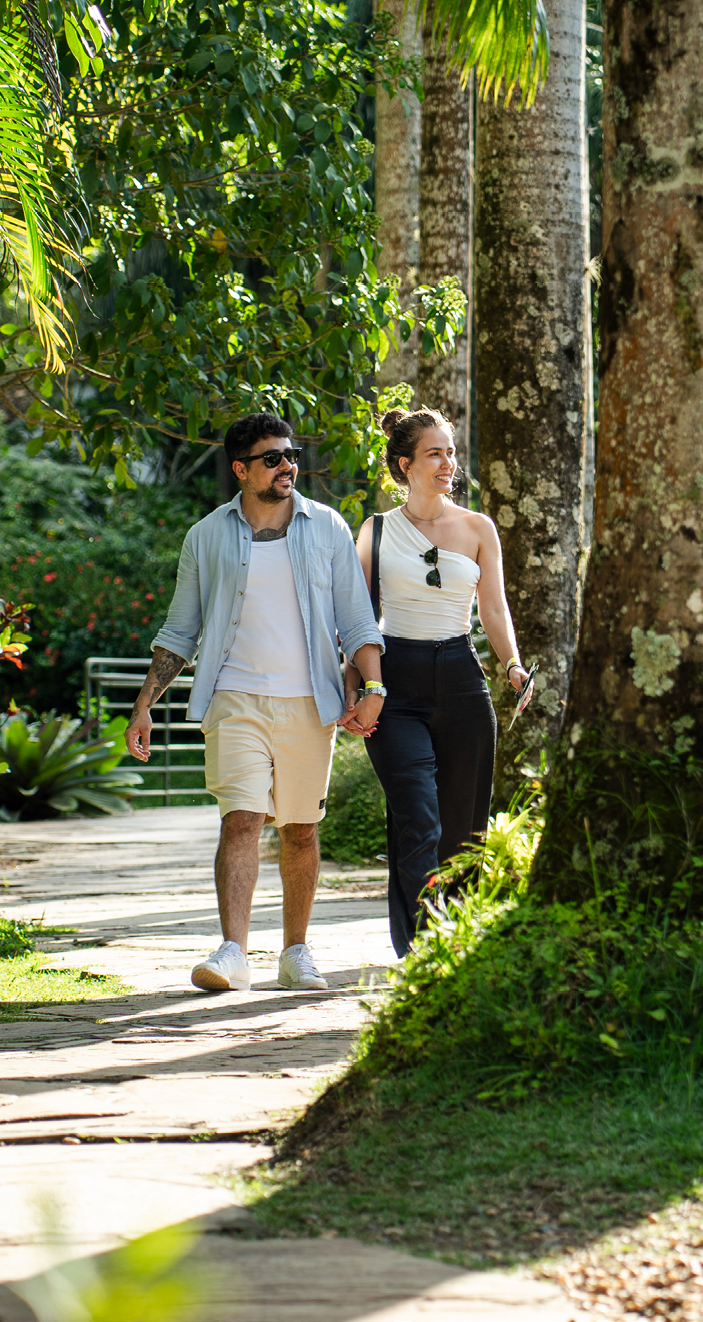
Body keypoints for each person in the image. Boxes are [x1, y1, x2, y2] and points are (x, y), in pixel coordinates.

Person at [125, 413, 386, 992]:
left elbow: (357, 618)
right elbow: (179, 630)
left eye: (290, 455)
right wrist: (145, 703)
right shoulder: (206, 536)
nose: (287, 465)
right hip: (234, 697)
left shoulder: (329, 528)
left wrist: (374, 687)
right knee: (240, 819)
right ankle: (232, 953)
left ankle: (296, 952)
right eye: (272, 458)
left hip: (309, 701)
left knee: (300, 829)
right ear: (242, 470)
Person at [345, 406, 532, 956]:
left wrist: (514, 665)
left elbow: (493, 611)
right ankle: (421, 948)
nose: (449, 462)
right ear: (405, 464)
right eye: (435, 453)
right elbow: (358, 617)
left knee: (462, 832)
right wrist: (357, 688)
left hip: (461, 680)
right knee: (417, 819)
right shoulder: (376, 531)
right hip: (395, 683)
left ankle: (461, 943)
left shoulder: (478, 528)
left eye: (451, 451)